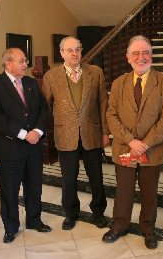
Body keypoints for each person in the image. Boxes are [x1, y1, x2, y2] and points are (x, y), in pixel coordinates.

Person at [103, 35, 163, 249]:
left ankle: (148, 228)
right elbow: (111, 115)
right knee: (123, 190)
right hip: (125, 149)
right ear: (128, 57)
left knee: (149, 192)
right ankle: (119, 224)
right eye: (136, 53)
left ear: (151, 56)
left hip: (153, 150)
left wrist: (145, 143)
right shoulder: (118, 83)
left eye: (145, 53)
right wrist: (130, 141)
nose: (141, 57)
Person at [0, 48, 51, 244]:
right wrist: (24, 135)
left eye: (26, 61)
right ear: (8, 63)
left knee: (34, 186)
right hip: (10, 149)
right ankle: (11, 227)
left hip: (33, 148)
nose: (26, 65)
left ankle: (34, 220)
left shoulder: (31, 83)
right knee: (10, 190)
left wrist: (37, 132)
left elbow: (43, 109)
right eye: (22, 61)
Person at [42, 36, 109, 230]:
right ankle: (71, 214)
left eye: (78, 49)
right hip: (65, 136)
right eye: (70, 50)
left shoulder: (96, 73)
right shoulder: (51, 77)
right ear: (61, 53)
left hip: (92, 134)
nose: (75, 54)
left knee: (96, 178)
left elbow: (103, 104)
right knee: (68, 179)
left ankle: (98, 213)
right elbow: (46, 107)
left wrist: (105, 132)